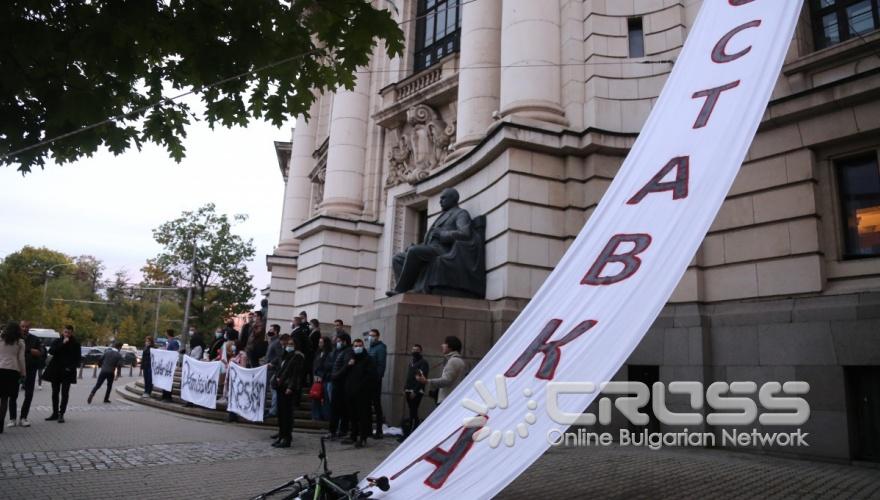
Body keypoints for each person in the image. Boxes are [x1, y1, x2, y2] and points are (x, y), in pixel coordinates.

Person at [387, 188, 472, 296]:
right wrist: (418, 245)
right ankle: (410, 288)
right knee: (398, 258)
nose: (440, 201)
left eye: (443, 198)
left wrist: (443, 235)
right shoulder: (442, 216)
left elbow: (465, 233)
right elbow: (430, 240)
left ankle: (401, 290)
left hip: (444, 250)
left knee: (414, 251)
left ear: (453, 199)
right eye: (440, 198)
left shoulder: (461, 213)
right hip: (431, 248)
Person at [341, 338, 378, 448]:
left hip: (363, 394)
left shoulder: (368, 359)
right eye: (355, 346)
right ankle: (353, 435)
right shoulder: (351, 358)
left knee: (363, 416)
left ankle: (363, 437)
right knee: (352, 415)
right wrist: (348, 365)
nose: (357, 348)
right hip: (351, 392)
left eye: (359, 345)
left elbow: (371, 376)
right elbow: (345, 374)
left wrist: (361, 387)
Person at [43, 325, 81, 423]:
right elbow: (51, 351)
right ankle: (54, 413)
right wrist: (62, 344)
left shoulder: (75, 343)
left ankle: (61, 414)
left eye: (69, 332)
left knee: (65, 393)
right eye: (65, 332)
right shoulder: (57, 341)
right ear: (62, 332)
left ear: (72, 333)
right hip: (55, 370)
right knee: (55, 392)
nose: (67, 334)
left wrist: (70, 368)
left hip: (67, 372)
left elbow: (78, 359)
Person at [272, 335, 304, 448]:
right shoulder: (285, 356)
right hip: (281, 387)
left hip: (288, 388)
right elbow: (281, 369)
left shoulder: (297, 356)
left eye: (291, 345)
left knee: (287, 415)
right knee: (281, 414)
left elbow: (296, 374)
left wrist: (291, 387)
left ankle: (286, 438)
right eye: (288, 344)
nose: (289, 346)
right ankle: (281, 435)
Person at [12, 320, 44, 428]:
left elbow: (40, 352)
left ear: (30, 327)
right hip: (15, 369)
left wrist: (28, 349)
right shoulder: (14, 338)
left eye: (26, 327)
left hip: (30, 369)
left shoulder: (34, 339)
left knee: (29, 394)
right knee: (13, 394)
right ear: (19, 327)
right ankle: (12, 418)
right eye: (22, 326)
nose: (24, 328)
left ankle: (23, 417)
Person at [416, 336, 465, 404]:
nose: (442, 345)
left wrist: (427, 381)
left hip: (447, 400)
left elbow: (446, 381)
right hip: (452, 399)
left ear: (450, 346)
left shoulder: (453, 361)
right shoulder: (457, 360)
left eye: (445, 343)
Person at [400, 343, 429, 441]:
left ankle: (412, 433)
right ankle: (411, 433)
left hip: (416, 391)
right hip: (409, 389)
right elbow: (409, 377)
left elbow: (422, 378)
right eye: (413, 349)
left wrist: (415, 391)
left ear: (420, 351)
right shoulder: (411, 362)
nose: (414, 351)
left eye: (416, 350)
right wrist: (405, 388)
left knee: (413, 411)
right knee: (412, 411)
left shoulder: (423, 363)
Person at [0, 322, 25, 433]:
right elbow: (21, 359)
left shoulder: (0, 339)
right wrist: (23, 373)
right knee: (5, 399)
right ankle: (0, 425)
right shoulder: (20, 342)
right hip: (12, 371)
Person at [326, 333, 352, 440]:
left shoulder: (348, 351)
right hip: (338, 383)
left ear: (344, 341)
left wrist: (335, 375)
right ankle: (339, 430)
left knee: (338, 409)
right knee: (338, 409)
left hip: (341, 384)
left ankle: (337, 431)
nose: (337, 342)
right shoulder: (340, 351)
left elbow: (345, 367)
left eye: (339, 340)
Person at [366, 329, 387, 438]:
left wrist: (378, 378)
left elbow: (381, 365)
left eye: (373, 335)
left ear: (377, 336)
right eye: (370, 335)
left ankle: (379, 430)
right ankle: (369, 429)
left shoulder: (381, 348)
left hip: (375, 380)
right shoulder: (370, 347)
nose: (371, 337)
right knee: (369, 405)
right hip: (368, 380)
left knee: (377, 405)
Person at [311, 336, 333, 421]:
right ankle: (316, 416)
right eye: (319, 342)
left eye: (321, 342)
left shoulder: (329, 353)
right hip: (316, 379)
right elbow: (315, 365)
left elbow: (328, 367)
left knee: (326, 399)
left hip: (325, 379)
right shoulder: (318, 353)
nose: (319, 344)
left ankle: (326, 416)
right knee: (315, 397)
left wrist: (321, 375)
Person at [264, 324, 283, 418]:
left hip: (273, 369)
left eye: (271, 329)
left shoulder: (277, 342)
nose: (269, 331)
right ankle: (270, 409)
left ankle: (273, 410)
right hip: (268, 369)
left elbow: (280, 355)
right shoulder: (271, 341)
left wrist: (272, 363)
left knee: (273, 390)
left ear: (275, 331)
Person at [161, 329, 179, 402]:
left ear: (168, 333)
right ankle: (164, 395)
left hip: (170, 364)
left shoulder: (174, 342)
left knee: (168, 381)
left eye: (166, 332)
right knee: (164, 380)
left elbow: (175, 352)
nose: (165, 334)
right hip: (165, 363)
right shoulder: (167, 342)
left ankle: (168, 397)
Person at [306, 319, 321, 386]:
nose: (310, 326)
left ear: (313, 324)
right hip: (311, 353)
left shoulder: (316, 332)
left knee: (312, 368)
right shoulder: (313, 331)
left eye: (310, 324)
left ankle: (312, 383)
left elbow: (314, 343)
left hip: (313, 353)